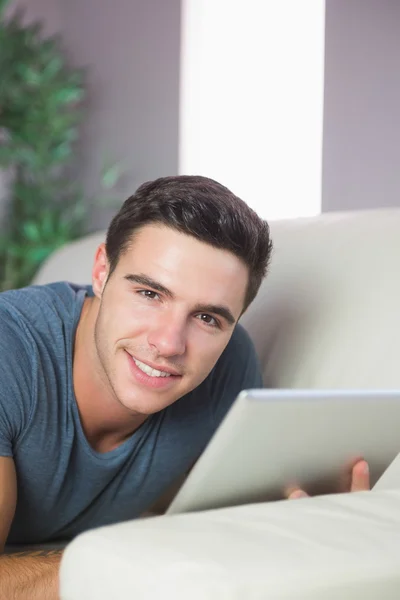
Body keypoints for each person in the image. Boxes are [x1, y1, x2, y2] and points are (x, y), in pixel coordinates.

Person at [0, 175, 369, 599]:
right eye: (149, 293)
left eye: (207, 318)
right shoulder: (11, 350)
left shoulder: (229, 369)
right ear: (102, 272)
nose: (169, 344)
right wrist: (146, 558)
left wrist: (314, 521)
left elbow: (218, 514)